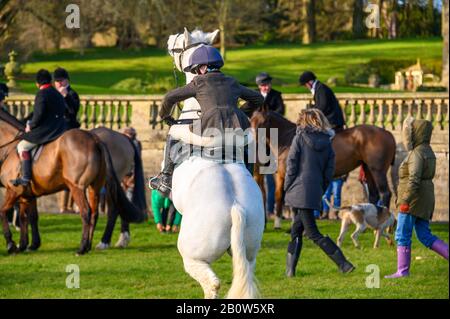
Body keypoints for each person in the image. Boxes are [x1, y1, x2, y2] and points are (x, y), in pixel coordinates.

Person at [149, 45, 263, 196]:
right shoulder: (232, 82)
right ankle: (249, 177)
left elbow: (169, 97)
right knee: (249, 139)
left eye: (196, 70)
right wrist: (239, 113)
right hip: (236, 134)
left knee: (174, 131)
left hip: (209, 133)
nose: (196, 74)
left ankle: (165, 178)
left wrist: (165, 116)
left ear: (203, 68)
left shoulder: (199, 82)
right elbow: (258, 98)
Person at [284, 108, 354, 277]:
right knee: (296, 230)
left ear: (304, 121)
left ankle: (344, 264)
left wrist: (287, 186)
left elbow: (291, 164)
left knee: (313, 233)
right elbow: (329, 171)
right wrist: (320, 188)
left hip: (299, 189)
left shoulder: (299, 137)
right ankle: (290, 271)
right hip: (314, 190)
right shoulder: (328, 142)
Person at [385, 118, 448, 279]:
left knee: (402, 234)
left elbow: (413, 179)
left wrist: (405, 200)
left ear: (417, 133)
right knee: (424, 235)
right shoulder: (428, 151)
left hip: (412, 200)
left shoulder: (417, 154)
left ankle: (402, 271)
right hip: (424, 199)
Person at [11, 69, 67, 187]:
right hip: (62, 127)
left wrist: (30, 125)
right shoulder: (57, 93)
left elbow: (38, 115)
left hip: (49, 130)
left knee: (22, 146)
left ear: (37, 83)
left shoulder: (42, 93)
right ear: (50, 81)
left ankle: (25, 177)